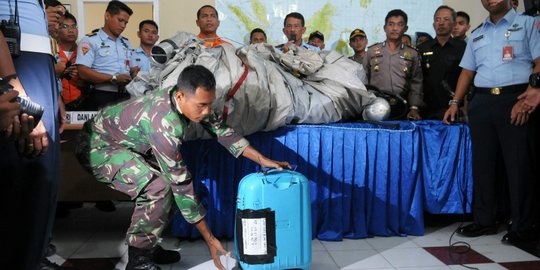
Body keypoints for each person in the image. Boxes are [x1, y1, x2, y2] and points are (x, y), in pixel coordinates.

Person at [81, 65, 291, 270]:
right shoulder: (164, 123)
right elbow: (181, 185)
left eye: (209, 104)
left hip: (127, 144)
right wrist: (210, 239)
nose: (207, 111)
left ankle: (148, 245)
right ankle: (138, 258)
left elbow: (224, 132)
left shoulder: (191, 100)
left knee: (166, 188)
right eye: (201, 105)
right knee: (158, 187)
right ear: (181, 97)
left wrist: (262, 159)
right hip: (98, 146)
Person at [443, 0, 540, 245]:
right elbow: (467, 71)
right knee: (483, 166)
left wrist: (533, 91)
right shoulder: (478, 33)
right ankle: (485, 220)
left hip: (516, 98)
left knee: (518, 166)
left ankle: (522, 227)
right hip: (482, 102)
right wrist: (455, 102)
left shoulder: (529, 24)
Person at [0, 1, 62, 270]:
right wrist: (13, 87)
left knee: (41, 181)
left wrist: (55, 90)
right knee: (24, 173)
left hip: (35, 63)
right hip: (15, 64)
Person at [363, 9, 423, 120]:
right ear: (385, 28)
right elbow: (363, 80)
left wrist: (414, 108)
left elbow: (416, 83)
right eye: (391, 24)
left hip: (402, 106)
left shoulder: (412, 54)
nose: (395, 28)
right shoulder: (372, 51)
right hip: (376, 106)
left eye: (399, 25)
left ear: (405, 29)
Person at [76, 0, 134, 111]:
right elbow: (83, 72)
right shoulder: (90, 40)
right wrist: (113, 78)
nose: (123, 26)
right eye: (120, 20)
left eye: (126, 23)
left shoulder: (126, 43)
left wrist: (134, 73)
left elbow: (129, 68)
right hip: (101, 95)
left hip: (125, 96)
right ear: (107, 16)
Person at [417, 5, 466, 119]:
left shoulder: (462, 48)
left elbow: (468, 78)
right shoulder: (422, 48)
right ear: (434, 24)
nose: (441, 23)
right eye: (437, 19)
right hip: (427, 109)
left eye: (446, 19)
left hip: (454, 108)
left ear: (453, 24)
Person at [57, 12, 82, 110]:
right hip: (58, 103)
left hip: (81, 103)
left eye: (73, 26)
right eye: (65, 26)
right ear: (57, 29)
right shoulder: (52, 51)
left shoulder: (85, 52)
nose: (70, 30)